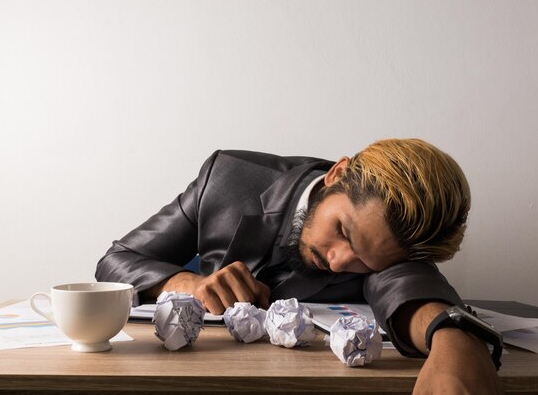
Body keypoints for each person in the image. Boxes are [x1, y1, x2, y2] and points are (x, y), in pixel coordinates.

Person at [96, 138, 503, 394]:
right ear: (337, 174)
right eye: (343, 231)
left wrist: (455, 339)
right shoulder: (227, 177)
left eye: (365, 262)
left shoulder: (387, 241)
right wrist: (185, 281)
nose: (341, 261)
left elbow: (412, 290)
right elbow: (115, 261)